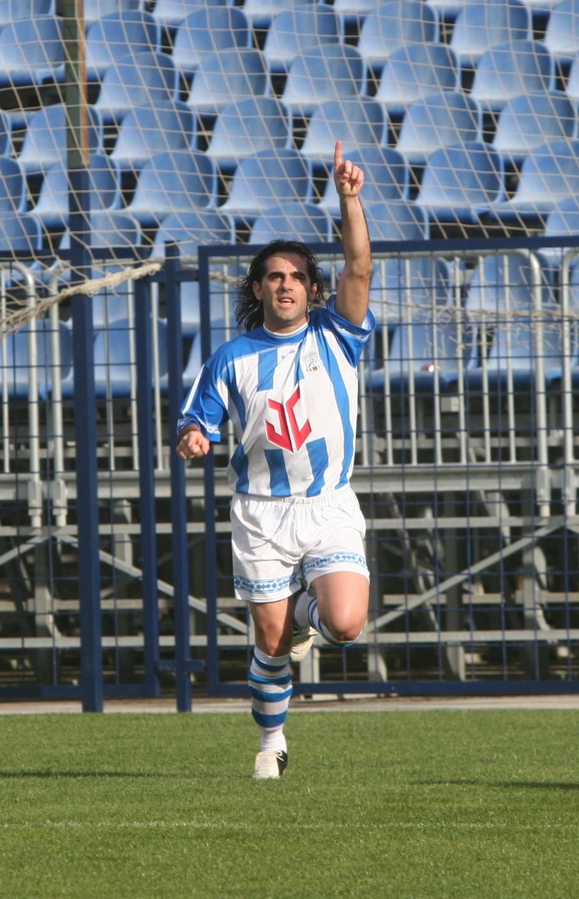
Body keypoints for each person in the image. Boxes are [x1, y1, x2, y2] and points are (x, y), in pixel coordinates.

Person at [175, 142, 373, 780]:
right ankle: (271, 744)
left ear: (312, 290)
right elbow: (196, 422)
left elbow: (360, 267)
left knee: (344, 624)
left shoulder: (335, 334)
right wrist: (194, 439)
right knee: (269, 642)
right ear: (258, 288)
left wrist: (348, 198)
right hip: (261, 512)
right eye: (274, 276)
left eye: (296, 277)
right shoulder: (230, 357)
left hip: (327, 504)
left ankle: (308, 616)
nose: (285, 285)